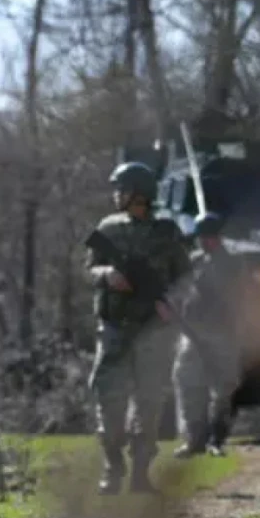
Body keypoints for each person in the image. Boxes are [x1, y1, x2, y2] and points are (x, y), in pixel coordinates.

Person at [85, 161, 190, 495]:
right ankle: (112, 468)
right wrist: (106, 276)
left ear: (138, 193)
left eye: (122, 188)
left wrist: (170, 303)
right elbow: (88, 269)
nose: (116, 194)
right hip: (114, 327)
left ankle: (141, 474)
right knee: (109, 400)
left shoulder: (167, 232)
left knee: (149, 403)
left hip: (153, 330)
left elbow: (185, 279)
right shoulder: (108, 227)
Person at [172, 211, 251, 458]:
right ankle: (193, 439)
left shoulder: (232, 262)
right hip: (192, 331)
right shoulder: (194, 261)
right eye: (201, 237)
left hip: (222, 332)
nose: (203, 241)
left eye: (208, 237)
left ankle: (216, 439)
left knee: (223, 389)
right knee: (187, 383)